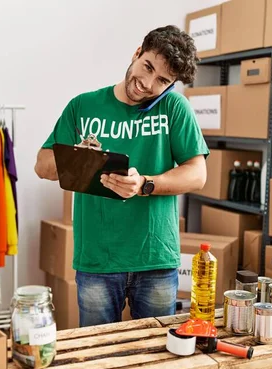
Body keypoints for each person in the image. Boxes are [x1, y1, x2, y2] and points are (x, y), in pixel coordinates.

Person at [34, 25, 210, 327]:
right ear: (137, 53)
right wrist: (78, 158)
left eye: (162, 80)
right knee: (99, 356)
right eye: (147, 67)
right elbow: (42, 166)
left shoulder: (174, 108)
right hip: (97, 261)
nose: (147, 83)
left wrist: (145, 184)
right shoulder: (83, 105)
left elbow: (197, 174)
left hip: (156, 259)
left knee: (156, 356)